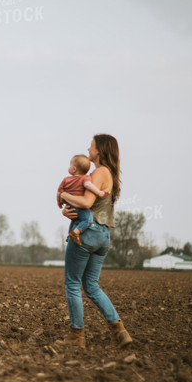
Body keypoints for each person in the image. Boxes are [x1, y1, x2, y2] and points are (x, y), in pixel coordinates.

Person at [56, 134, 132, 349]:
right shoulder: (110, 174)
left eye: (91, 146)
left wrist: (62, 195)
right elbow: (88, 205)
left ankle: (76, 337)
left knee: (72, 283)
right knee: (91, 285)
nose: (88, 149)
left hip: (87, 234)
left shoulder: (99, 172)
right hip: (103, 236)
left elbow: (87, 202)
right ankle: (120, 332)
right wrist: (69, 212)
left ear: (99, 151)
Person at [57, 154, 108, 247]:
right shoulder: (85, 178)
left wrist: (59, 202)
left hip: (70, 205)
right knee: (88, 220)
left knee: (74, 221)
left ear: (74, 169)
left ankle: (71, 234)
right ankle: (75, 233)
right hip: (79, 206)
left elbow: (59, 192)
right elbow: (88, 185)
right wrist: (99, 193)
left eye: (70, 165)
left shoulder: (66, 179)